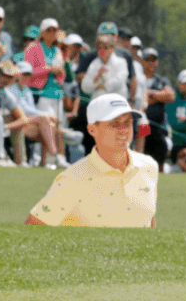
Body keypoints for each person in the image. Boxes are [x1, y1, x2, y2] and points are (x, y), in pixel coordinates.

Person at [25, 92, 158, 227]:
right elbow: (32, 230)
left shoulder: (149, 166)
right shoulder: (72, 179)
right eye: (114, 124)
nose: (123, 130)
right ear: (92, 129)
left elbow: (148, 222)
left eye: (128, 123)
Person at [21, 18, 70, 169]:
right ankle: (46, 159)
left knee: (59, 127)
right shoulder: (34, 47)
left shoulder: (57, 50)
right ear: (42, 32)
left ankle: (58, 158)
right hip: (41, 93)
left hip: (57, 94)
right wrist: (48, 69)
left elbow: (62, 73)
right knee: (48, 126)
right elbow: (27, 71)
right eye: (48, 30)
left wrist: (60, 74)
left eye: (54, 30)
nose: (52, 33)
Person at [0, 60, 63, 168]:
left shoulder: (26, 90)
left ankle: (47, 162)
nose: (26, 77)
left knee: (51, 126)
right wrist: (46, 115)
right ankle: (54, 156)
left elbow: (27, 110)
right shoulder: (10, 89)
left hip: (22, 120)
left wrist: (45, 116)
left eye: (28, 75)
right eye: (24, 74)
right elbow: (23, 110)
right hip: (13, 120)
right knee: (46, 121)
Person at [138, 48, 175, 166]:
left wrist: (151, 93)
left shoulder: (162, 80)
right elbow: (141, 100)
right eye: (147, 60)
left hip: (157, 129)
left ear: (157, 62)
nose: (151, 63)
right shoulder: (137, 78)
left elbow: (170, 96)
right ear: (142, 62)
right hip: (141, 126)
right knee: (140, 159)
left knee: (158, 161)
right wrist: (159, 96)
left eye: (153, 60)